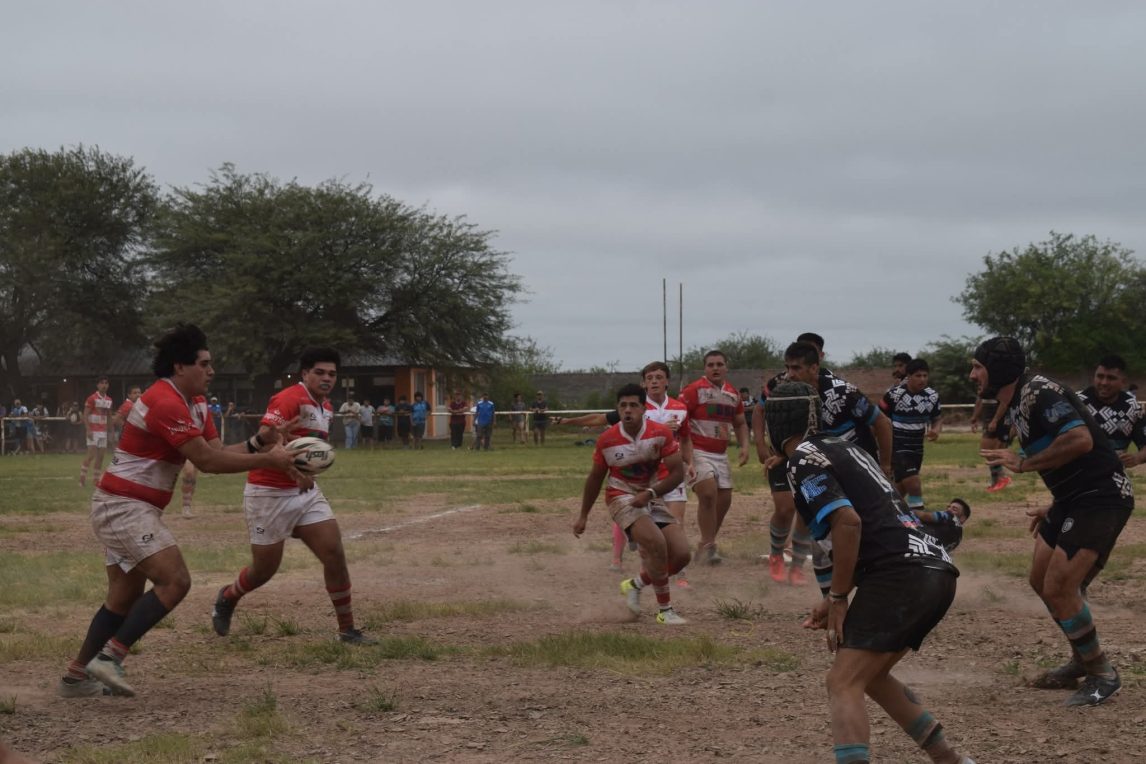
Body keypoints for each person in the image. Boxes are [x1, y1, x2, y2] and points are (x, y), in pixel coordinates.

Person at [59, 324, 299, 698]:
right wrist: (272, 459)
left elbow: (219, 452)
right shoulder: (165, 400)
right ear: (179, 367)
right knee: (176, 581)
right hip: (121, 507)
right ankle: (109, 659)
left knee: (122, 598)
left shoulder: (196, 402)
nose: (211, 370)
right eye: (204, 364)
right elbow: (207, 462)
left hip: (132, 508)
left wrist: (259, 442)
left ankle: (75, 677)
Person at [764, 382, 971, 764]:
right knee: (869, 676)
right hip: (933, 567)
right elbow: (876, 526)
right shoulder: (846, 448)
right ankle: (952, 760)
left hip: (901, 575)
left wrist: (840, 597)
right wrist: (832, 597)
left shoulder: (803, 458)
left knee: (842, 681)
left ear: (775, 424)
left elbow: (849, 523)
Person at [975, 336, 1133, 706]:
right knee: (1040, 580)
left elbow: (1080, 441)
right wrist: (1054, 501)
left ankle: (1102, 672)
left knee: (1061, 585)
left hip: (1101, 497)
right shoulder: (1016, 400)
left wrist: (1024, 463)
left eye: (978, 367)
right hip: (1071, 499)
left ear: (997, 370)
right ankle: (1081, 658)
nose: (972, 374)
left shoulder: (1038, 392)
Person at [212, 347, 377, 646]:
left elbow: (307, 453)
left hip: (304, 494)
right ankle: (228, 596)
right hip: (268, 494)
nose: (327, 378)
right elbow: (265, 440)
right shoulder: (289, 398)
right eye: (320, 372)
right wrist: (294, 472)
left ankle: (347, 630)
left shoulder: (324, 407)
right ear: (305, 373)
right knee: (264, 570)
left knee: (334, 552)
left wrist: (306, 473)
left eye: (332, 374)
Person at [573, 383, 689, 625]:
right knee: (657, 544)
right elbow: (595, 478)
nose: (628, 410)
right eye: (623, 405)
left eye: (633, 405)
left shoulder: (660, 433)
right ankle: (665, 611)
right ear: (617, 408)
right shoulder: (607, 440)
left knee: (681, 555)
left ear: (643, 408)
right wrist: (583, 515)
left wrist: (650, 492)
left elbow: (678, 474)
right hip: (620, 495)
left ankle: (635, 584)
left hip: (649, 493)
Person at [679, 350, 748, 564]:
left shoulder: (733, 394)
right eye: (710, 365)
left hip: (721, 453)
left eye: (719, 364)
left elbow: (740, 423)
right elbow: (679, 416)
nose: (715, 368)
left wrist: (744, 445)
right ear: (705, 368)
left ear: (726, 367)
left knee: (724, 499)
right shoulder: (694, 390)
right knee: (708, 493)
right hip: (698, 450)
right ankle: (709, 546)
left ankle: (705, 544)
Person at [880, 359, 943, 512]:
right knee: (914, 484)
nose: (922, 379)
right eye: (918, 376)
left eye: (925, 375)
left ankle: (885, 512)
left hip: (917, 447)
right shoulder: (894, 394)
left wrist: (936, 429)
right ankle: (920, 523)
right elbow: (879, 418)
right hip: (897, 445)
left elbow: (938, 418)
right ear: (908, 376)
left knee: (902, 487)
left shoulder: (932, 396)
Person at [1076, 354, 1146, 469]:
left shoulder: (1132, 408)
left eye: (1111, 378)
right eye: (1100, 376)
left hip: (1112, 477)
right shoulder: (1077, 402)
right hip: (1077, 475)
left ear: (1123, 382)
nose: (1104, 382)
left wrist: (1137, 458)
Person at [971, 390, 1015, 493]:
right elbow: (980, 400)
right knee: (989, 451)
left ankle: (1001, 479)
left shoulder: (998, 382)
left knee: (989, 450)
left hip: (999, 417)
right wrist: (975, 417)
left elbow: (1005, 401)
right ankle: (998, 480)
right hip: (988, 418)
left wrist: (995, 420)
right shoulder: (983, 381)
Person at [79, 377, 114, 485]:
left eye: (106, 383)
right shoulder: (92, 398)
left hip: (103, 431)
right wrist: (88, 430)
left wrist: (111, 431)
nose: (104, 385)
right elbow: (85, 415)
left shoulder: (109, 400)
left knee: (101, 457)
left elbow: (109, 416)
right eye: (102, 383)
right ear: (97, 385)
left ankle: (96, 480)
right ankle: (82, 479)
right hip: (93, 431)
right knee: (91, 455)